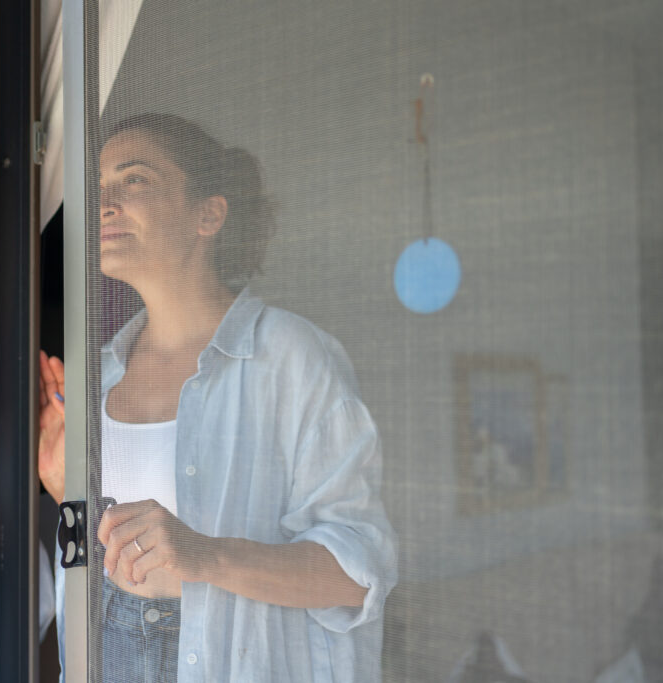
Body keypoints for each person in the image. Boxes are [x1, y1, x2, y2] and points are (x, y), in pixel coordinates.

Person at [38, 113, 396, 682]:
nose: (102, 203)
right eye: (96, 186)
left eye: (133, 180)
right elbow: (94, 571)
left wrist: (204, 555)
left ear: (209, 213)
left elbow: (358, 573)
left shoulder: (289, 355)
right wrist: (65, 491)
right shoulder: (96, 377)